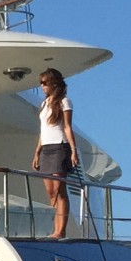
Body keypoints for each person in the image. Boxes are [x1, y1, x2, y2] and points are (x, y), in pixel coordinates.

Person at [32, 67, 77, 240]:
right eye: (41, 83)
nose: (42, 86)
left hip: (60, 147)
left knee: (59, 188)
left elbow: (67, 127)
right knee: (50, 191)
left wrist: (73, 151)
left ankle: (61, 230)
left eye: (44, 83)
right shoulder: (44, 104)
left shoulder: (64, 102)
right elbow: (43, 131)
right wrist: (37, 152)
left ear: (53, 83)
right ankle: (55, 228)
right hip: (47, 148)